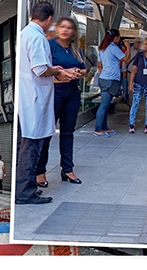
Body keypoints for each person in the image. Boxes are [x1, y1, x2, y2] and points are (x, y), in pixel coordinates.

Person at [16, 2, 74, 205]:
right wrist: (57, 71)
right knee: (31, 148)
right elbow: (40, 69)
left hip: (28, 97)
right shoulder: (38, 37)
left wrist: (52, 67)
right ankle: (25, 192)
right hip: (34, 99)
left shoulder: (25, 34)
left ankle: (26, 188)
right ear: (49, 19)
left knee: (26, 148)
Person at [36, 17, 86, 185]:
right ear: (57, 28)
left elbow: (85, 68)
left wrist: (79, 72)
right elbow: (42, 68)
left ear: (74, 31)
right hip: (54, 92)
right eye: (62, 26)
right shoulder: (49, 45)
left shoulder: (75, 48)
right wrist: (62, 72)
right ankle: (40, 171)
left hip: (72, 92)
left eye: (69, 27)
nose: (65, 30)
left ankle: (68, 169)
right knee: (48, 132)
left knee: (68, 132)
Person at [95, 28, 129, 136]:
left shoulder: (102, 48)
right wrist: (127, 46)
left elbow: (100, 65)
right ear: (115, 38)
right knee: (104, 105)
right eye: (118, 37)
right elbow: (126, 59)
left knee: (105, 105)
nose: (119, 40)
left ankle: (104, 128)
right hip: (110, 80)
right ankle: (98, 129)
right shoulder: (113, 48)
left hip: (103, 78)